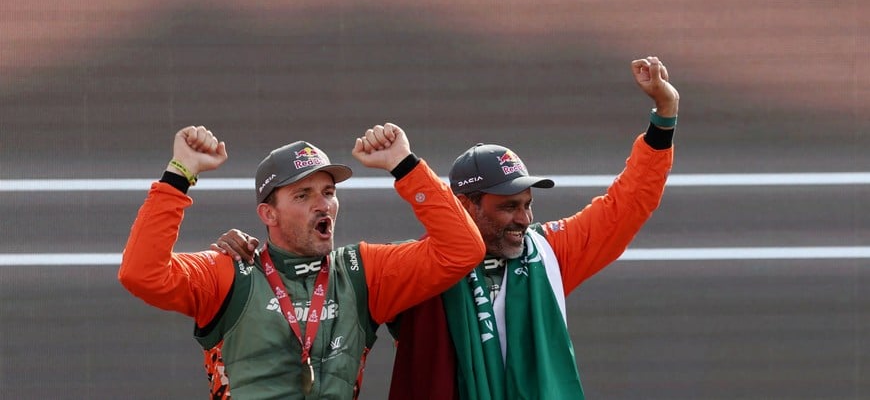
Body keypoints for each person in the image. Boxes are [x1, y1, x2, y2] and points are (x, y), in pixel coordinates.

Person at [216, 55, 679, 399]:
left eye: (527, 204)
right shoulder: (420, 271)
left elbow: (628, 204)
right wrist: (253, 252)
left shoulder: (552, 252)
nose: (524, 218)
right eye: (508, 206)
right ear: (466, 207)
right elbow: (312, 276)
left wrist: (663, 120)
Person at [118, 122, 485, 400]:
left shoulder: (363, 271)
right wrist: (179, 175)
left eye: (328, 192)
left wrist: (406, 166)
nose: (322, 204)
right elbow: (141, 274)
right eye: (303, 195)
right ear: (268, 214)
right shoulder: (230, 270)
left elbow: (463, 249)